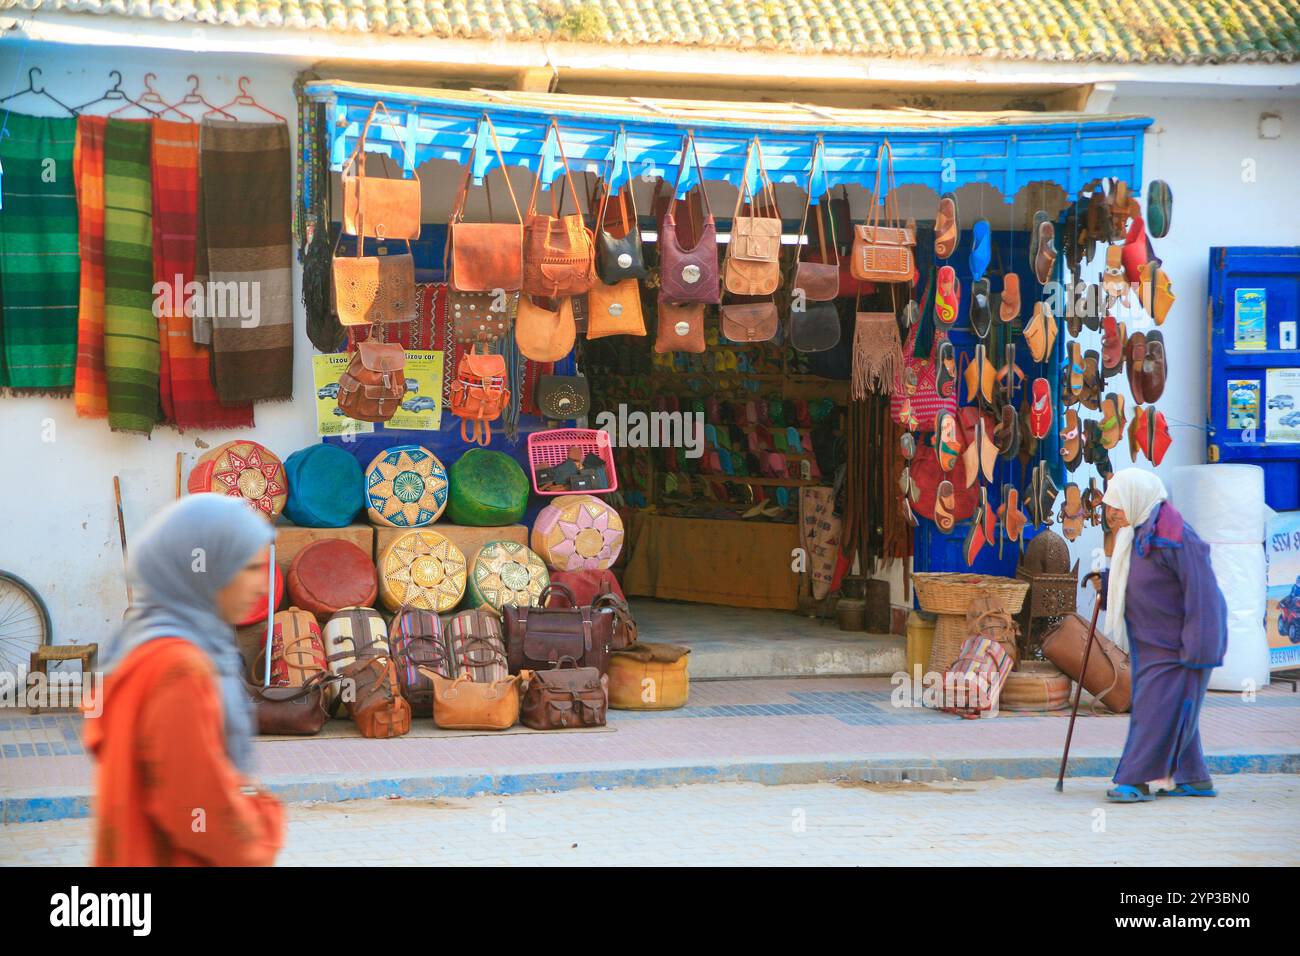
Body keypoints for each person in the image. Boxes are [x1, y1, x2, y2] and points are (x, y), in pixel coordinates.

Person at [84, 493, 285, 865]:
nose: (262, 587)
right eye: (250, 569)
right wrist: (263, 818)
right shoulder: (179, 668)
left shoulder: (143, 643)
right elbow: (198, 813)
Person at [1100, 468, 1228, 803]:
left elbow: (1204, 595)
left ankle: (1133, 780)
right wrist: (1105, 582)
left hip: (1179, 647)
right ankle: (1193, 777)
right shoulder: (1139, 532)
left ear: (1137, 499)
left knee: (1155, 712)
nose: (1110, 512)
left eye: (1116, 505)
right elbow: (1136, 575)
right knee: (1173, 709)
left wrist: (1198, 647)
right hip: (1151, 646)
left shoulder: (1176, 537)